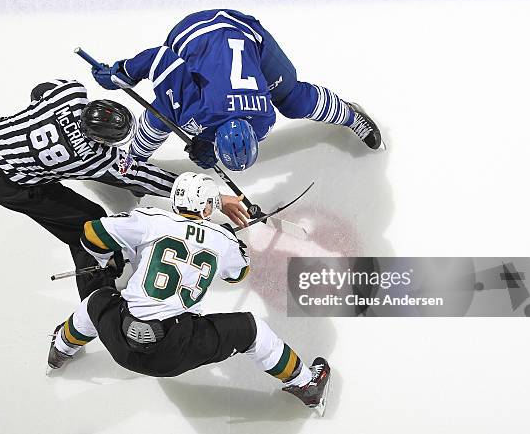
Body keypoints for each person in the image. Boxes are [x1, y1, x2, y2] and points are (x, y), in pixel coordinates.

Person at [47, 172, 331, 413]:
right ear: (208, 207)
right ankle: (305, 384)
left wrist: (106, 260)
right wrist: (231, 244)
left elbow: (91, 233)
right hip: (176, 349)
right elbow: (237, 275)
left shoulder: (149, 219)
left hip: (122, 341)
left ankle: (61, 348)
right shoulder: (223, 239)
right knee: (252, 330)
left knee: (95, 302)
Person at [0, 79, 250, 300]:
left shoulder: (69, 94)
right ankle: (96, 298)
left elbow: (41, 91)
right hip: (8, 183)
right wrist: (215, 198)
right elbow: (143, 175)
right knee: (86, 222)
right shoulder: (92, 157)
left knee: (96, 195)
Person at [92, 9, 383, 173]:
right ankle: (136, 160)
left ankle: (350, 114)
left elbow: (163, 61)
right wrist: (125, 73)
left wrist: (205, 142)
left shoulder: (263, 119)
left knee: (293, 98)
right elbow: (159, 60)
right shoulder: (250, 120)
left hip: (230, 31)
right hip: (210, 34)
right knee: (162, 117)